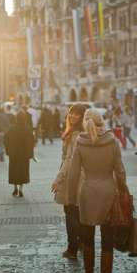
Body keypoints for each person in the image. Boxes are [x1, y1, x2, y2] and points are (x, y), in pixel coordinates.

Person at [68, 109, 127, 273]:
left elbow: (74, 173)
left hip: (87, 194)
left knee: (87, 237)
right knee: (107, 239)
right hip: (108, 193)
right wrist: (124, 189)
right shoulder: (113, 142)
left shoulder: (80, 142)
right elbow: (120, 171)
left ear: (86, 123)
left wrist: (71, 198)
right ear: (102, 121)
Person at [51, 104, 87, 259]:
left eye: (77, 114)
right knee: (77, 212)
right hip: (79, 177)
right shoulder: (79, 132)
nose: (72, 116)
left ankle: (72, 248)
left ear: (82, 117)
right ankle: (81, 243)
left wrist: (57, 180)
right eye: (71, 113)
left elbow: (69, 160)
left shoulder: (75, 135)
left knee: (70, 212)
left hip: (72, 178)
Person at [4, 111, 35, 198]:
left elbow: (5, 139)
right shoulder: (27, 129)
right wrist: (30, 154)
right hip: (24, 155)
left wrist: (8, 150)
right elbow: (32, 142)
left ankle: (15, 188)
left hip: (14, 154)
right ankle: (21, 189)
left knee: (14, 171)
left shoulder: (12, 128)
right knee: (23, 171)